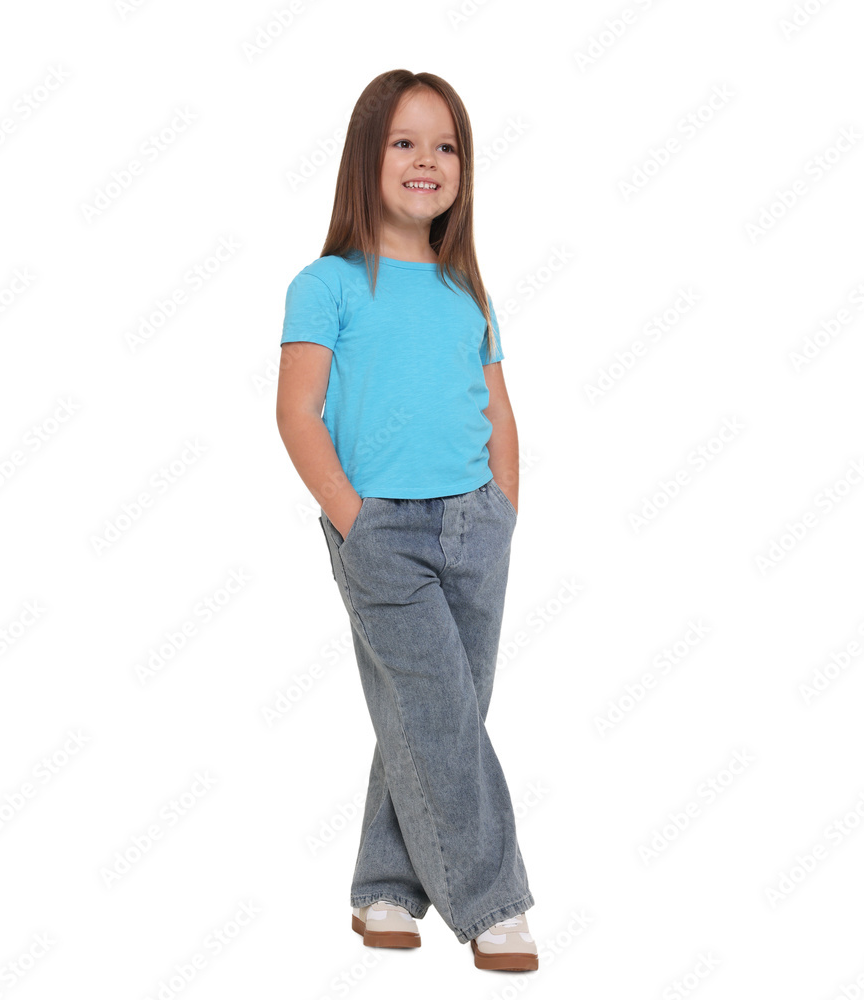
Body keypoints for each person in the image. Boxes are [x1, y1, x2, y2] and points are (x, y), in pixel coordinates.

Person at [275, 69, 537, 973]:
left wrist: (503, 508)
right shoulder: (328, 284)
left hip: (476, 525)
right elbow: (297, 413)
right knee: (440, 715)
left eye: (446, 145)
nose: (428, 160)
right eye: (404, 142)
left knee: (436, 713)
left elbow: (497, 407)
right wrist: (355, 522)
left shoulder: (469, 291)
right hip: (381, 530)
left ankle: (385, 886)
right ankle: (493, 904)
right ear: (367, 157)